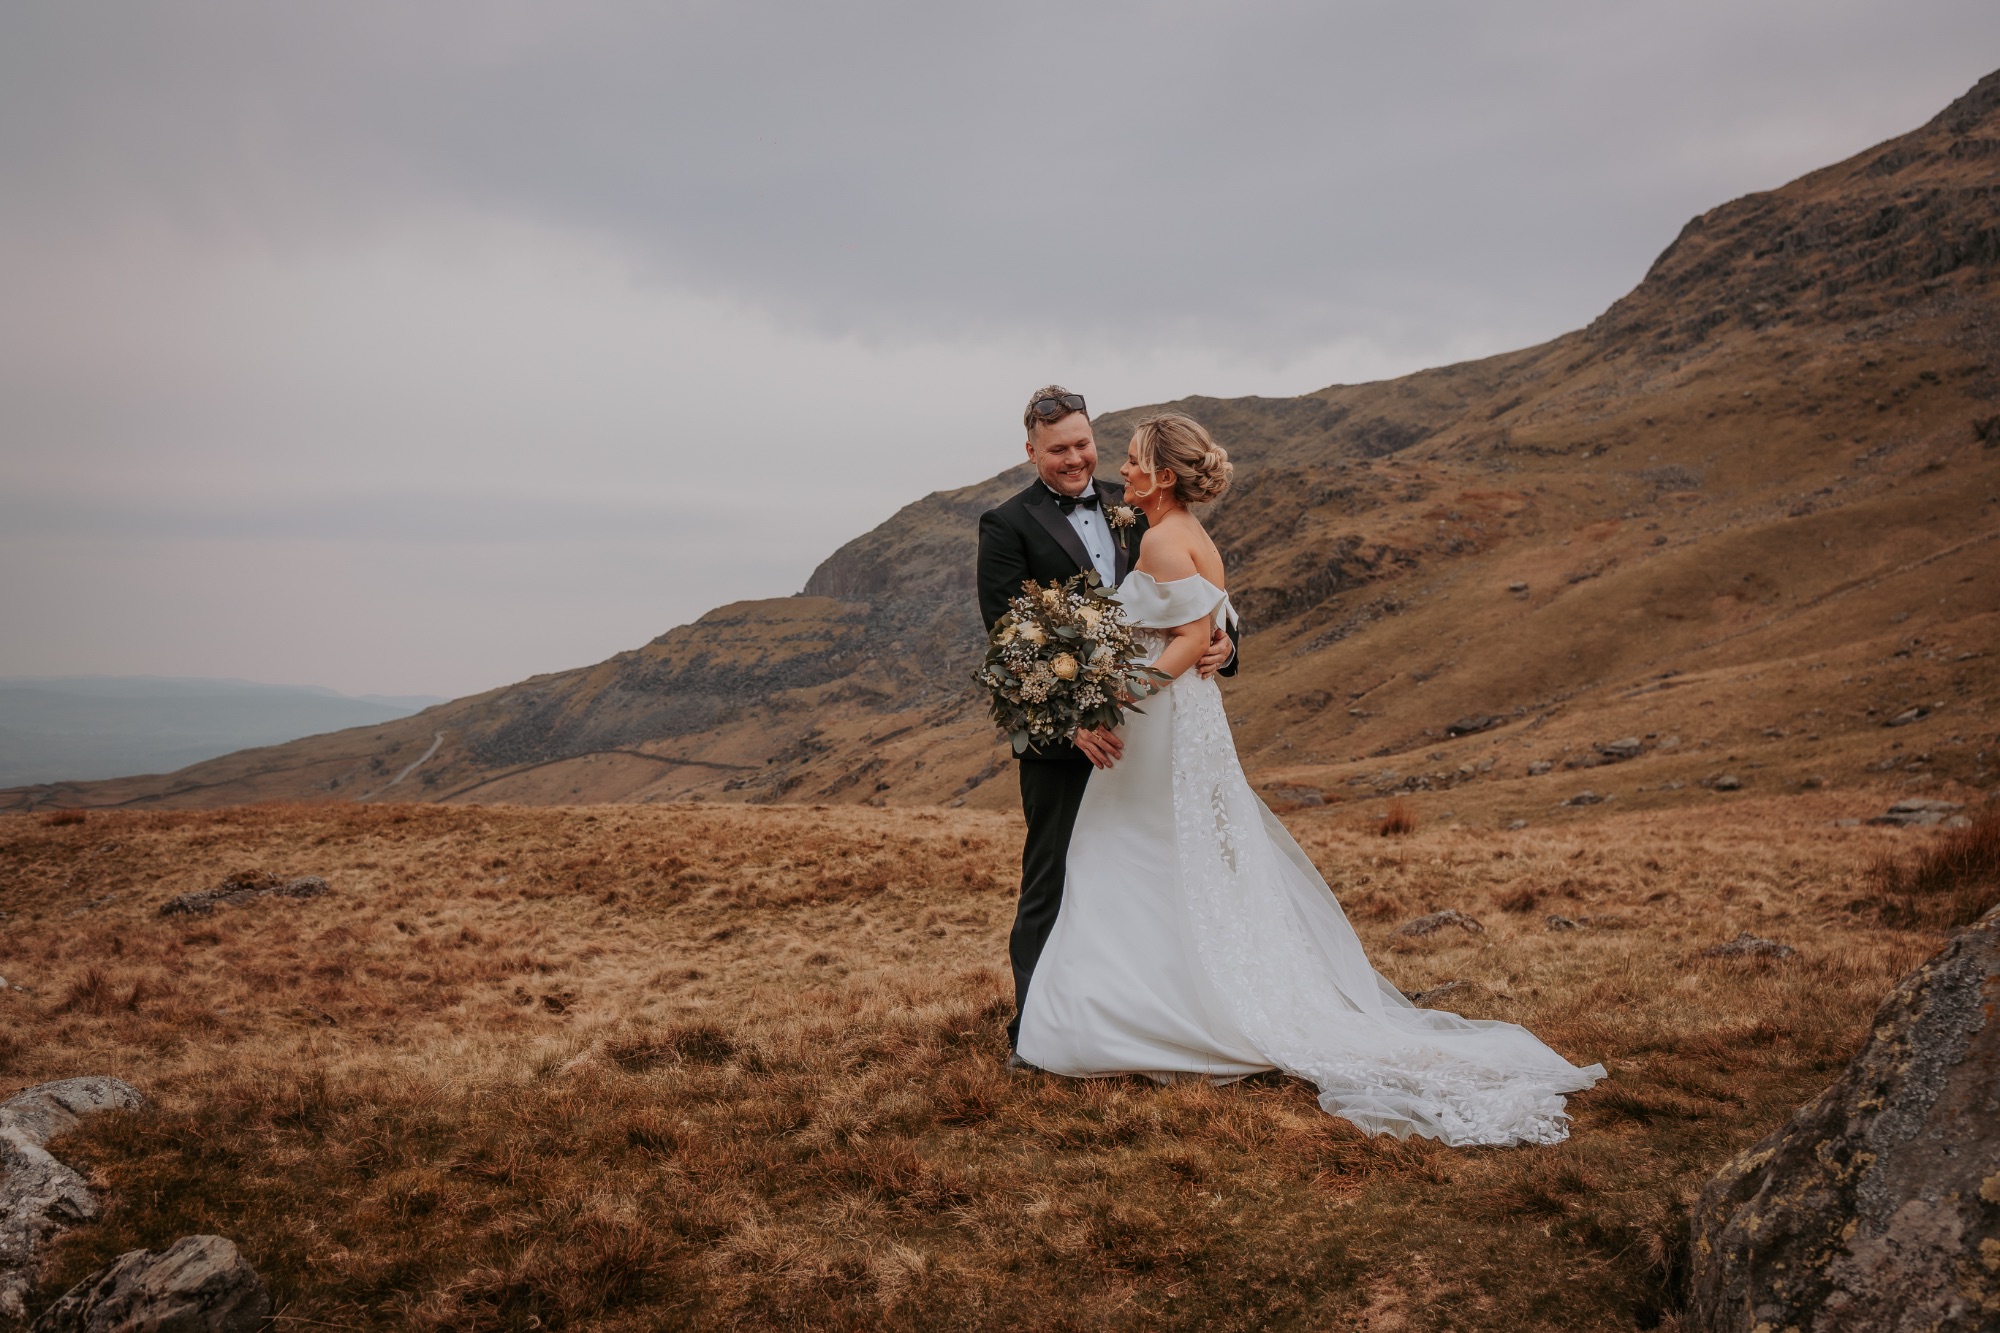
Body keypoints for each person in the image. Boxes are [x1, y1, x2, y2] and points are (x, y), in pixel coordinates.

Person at [1013, 412, 1605, 1145]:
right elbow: (1201, 625)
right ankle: (1150, 1003)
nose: (1121, 471)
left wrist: (1113, 695)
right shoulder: (1187, 533)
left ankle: (1136, 1017)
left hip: (1159, 724)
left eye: (1133, 460)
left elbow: (1194, 639)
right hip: (1187, 723)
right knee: (1170, 859)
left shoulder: (1163, 538)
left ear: (1163, 475)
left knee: (1123, 852)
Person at [976, 386, 1236, 1063]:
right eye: (1058, 449)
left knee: (1142, 876)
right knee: (1053, 882)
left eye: (1083, 444)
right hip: (1069, 747)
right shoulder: (1006, 525)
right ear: (1030, 450)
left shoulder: (1141, 505)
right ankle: (1032, 1034)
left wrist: (1226, 643)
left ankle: (1133, 1020)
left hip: (1146, 737)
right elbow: (1012, 643)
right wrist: (1071, 725)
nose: (1076, 459)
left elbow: (1198, 594)